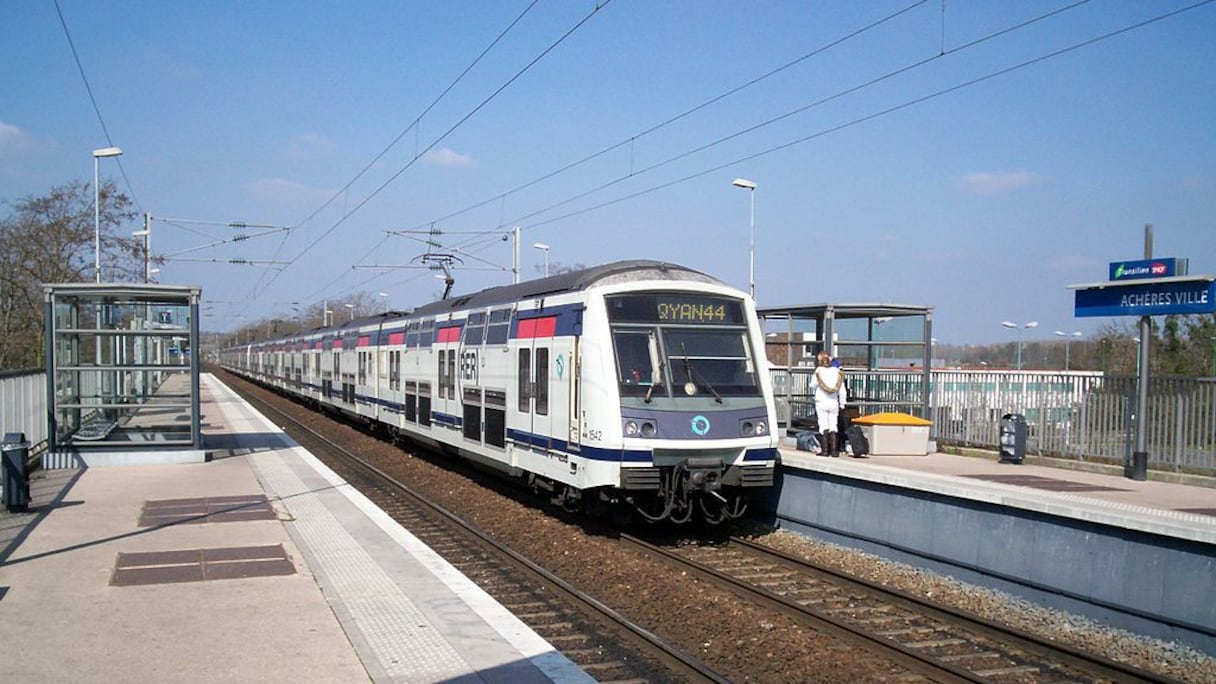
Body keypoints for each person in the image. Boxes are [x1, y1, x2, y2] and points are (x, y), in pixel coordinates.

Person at [811, 351, 847, 457]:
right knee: (833, 425)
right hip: (834, 402)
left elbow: (813, 385)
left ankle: (825, 450)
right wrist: (842, 404)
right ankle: (834, 451)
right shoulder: (837, 372)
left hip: (821, 401)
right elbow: (842, 390)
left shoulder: (818, 371)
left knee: (823, 425)